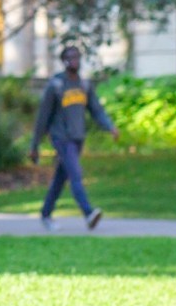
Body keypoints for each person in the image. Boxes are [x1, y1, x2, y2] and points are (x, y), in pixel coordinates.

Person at [29, 45, 120, 231]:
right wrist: (35, 145)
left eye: (77, 57)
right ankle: (88, 214)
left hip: (78, 137)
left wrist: (110, 126)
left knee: (61, 178)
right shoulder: (56, 85)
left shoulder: (84, 85)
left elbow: (96, 110)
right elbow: (43, 117)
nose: (75, 61)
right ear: (64, 61)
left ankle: (46, 214)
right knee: (75, 174)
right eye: (71, 58)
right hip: (61, 137)